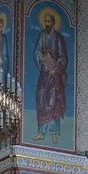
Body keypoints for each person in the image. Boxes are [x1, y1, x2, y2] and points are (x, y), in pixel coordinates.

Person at [33, 9, 68, 143]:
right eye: (45, 21)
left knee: (53, 101)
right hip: (44, 74)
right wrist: (40, 57)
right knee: (41, 99)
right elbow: (36, 51)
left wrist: (56, 67)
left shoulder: (58, 38)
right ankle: (41, 132)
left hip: (54, 76)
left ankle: (54, 133)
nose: (46, 24)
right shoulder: (42, 36)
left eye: (49, 21)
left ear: (53, 23)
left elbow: (63, 57)